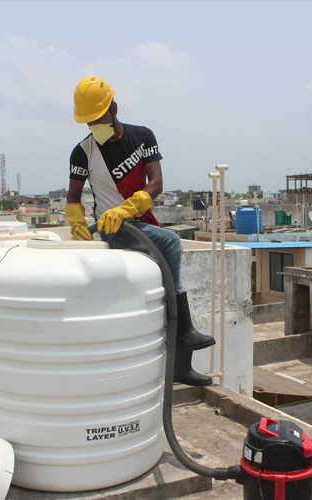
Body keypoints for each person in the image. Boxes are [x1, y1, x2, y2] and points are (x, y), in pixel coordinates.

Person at [64, 76, 215, 387]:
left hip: (136, 220)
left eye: (100, 119)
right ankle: (184, 332)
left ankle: (179, 357)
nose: (95, 126)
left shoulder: (143, 137)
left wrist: (127, 208)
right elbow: (73, 197)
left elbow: (156, 183)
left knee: (168, 278)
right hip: (113, 228)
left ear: (114, 109)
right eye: (89, 122)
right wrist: (78, 223)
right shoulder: (83, 152)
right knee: (172, 244)